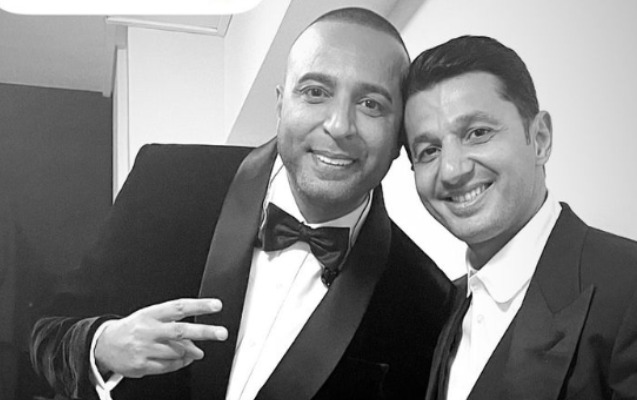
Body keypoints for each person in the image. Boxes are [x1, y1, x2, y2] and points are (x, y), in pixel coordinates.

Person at [30, 8, 454, 400]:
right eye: (315, 91)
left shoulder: (426, 298)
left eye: (371, 104)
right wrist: (101, 345)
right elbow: (46, 330)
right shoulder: (167, 180)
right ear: (281, 104)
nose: (339, 125)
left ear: (398, 138)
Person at [402, 34, 637, 400]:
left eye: (477, 133)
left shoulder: (628, 285)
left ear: (539, 139)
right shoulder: (440, 306)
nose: (451, 170)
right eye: (429, 150)